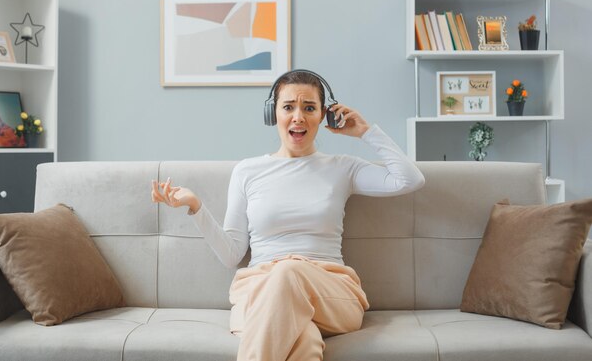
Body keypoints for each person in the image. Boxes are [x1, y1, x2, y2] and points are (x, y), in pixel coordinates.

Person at [151, 69, 425, 361]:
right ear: (274, 114)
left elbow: (410, 180)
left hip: (330, 293)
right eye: (288, 107)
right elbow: (232, 254)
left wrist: (366, 132)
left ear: (324, 115)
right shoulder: (247, 171)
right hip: (259, 291)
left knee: (287, 270)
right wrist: (195, 207)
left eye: (309, 108)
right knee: (303, 342)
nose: (298, 116)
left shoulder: (343, 168)